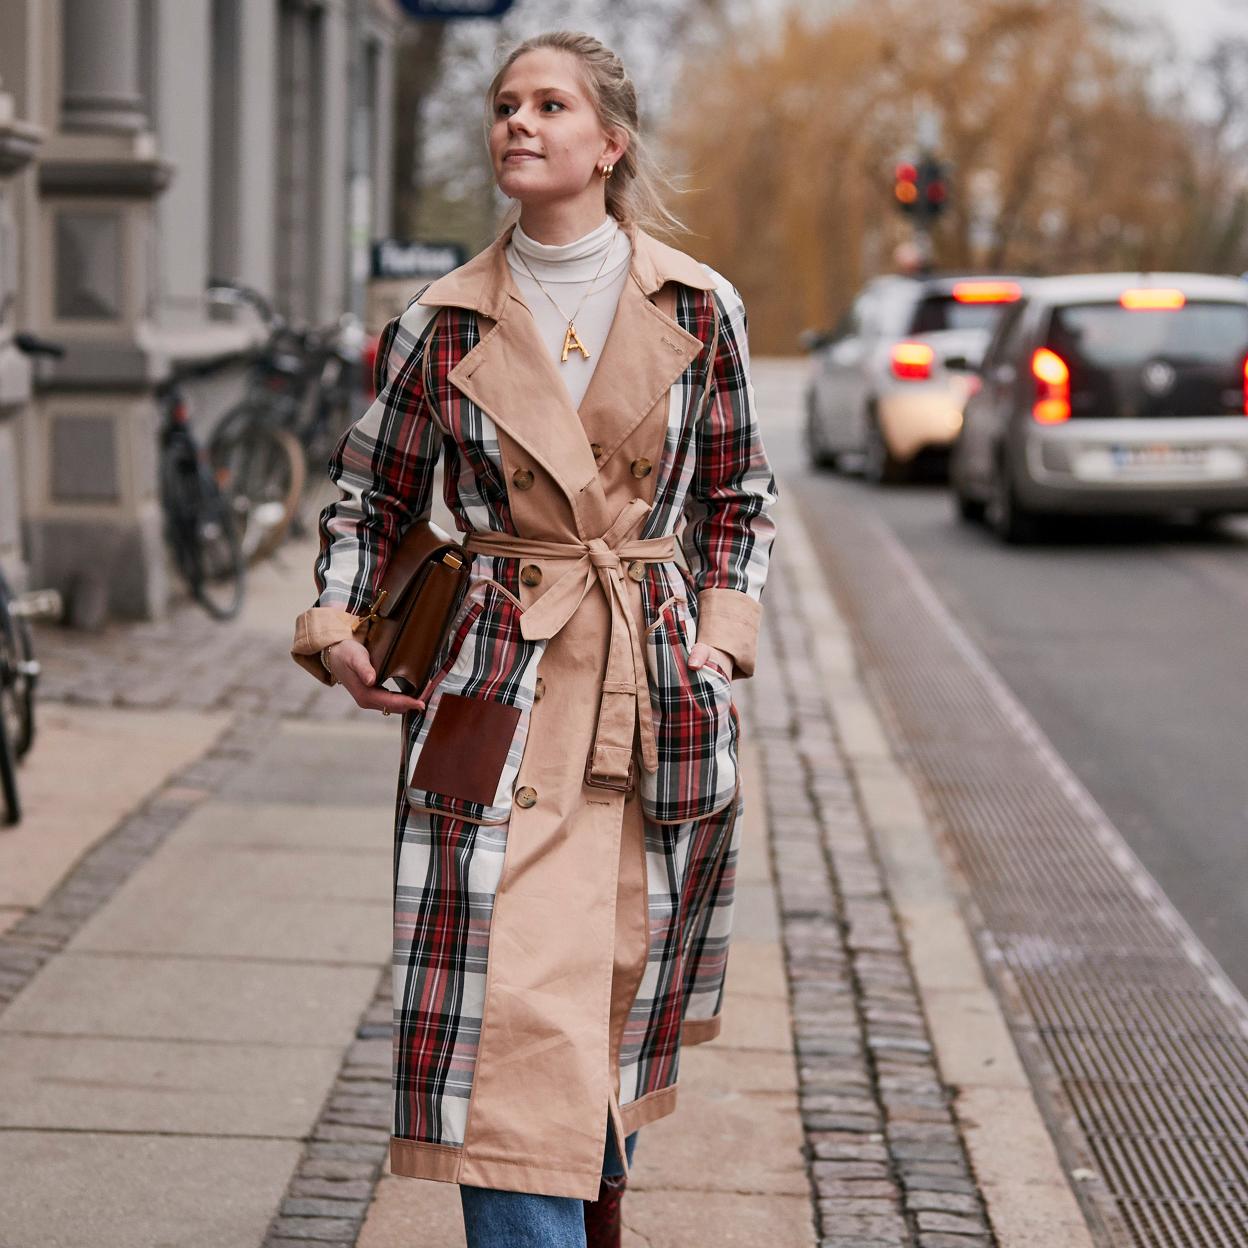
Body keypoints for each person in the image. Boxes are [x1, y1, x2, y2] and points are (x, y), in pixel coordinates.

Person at [290, 28, 778, 1248]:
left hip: (654, 683)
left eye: (549, 105)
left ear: (608, 142)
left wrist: (718, 645)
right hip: (491, 693)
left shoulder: (697, 307)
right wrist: (340, 625)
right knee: (503, 1015)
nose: (517, 121)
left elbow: (739, 501)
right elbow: (366, 498)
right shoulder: (443, 321)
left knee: (607, 1000)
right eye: (505, 103)